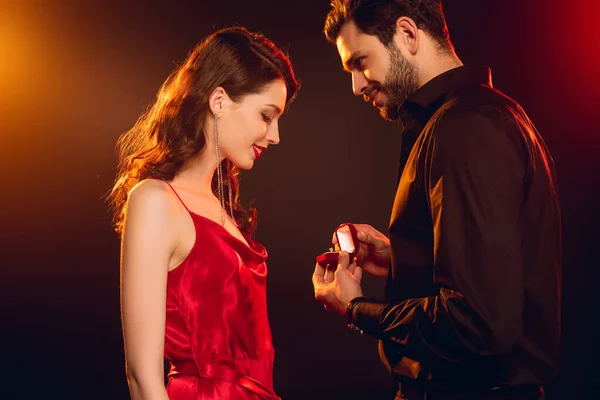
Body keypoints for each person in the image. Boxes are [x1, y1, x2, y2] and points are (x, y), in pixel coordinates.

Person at [311, 1, 561, 399]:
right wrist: (403, 258)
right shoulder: (479, 118)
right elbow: (495, 275)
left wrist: (357, 309)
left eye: (360, 62)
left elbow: (479, 324)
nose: (357, 86)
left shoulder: (466, 128)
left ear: (408, 35)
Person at [108, 26, 299, 400]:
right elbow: (142, 378)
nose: (275, 135)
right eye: (266, 115)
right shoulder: (154, 200)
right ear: (219, 100)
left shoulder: (221, 207)